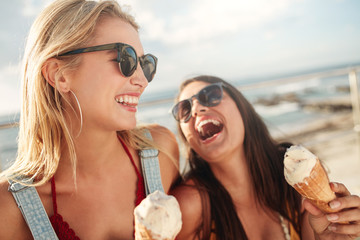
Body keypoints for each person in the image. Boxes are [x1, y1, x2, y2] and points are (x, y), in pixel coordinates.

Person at [0, 0, 179, 239]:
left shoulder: (161, 153)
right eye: (125, 59)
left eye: (145, 64)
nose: (142, 80)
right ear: (60, 75)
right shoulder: (9, 210)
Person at [170, 75, 360, 240]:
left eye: (210, 95)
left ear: (241, 106)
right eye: (183, 110)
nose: (196, 109)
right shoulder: (188, 206)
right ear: (187, 138)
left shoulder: (296, 177)